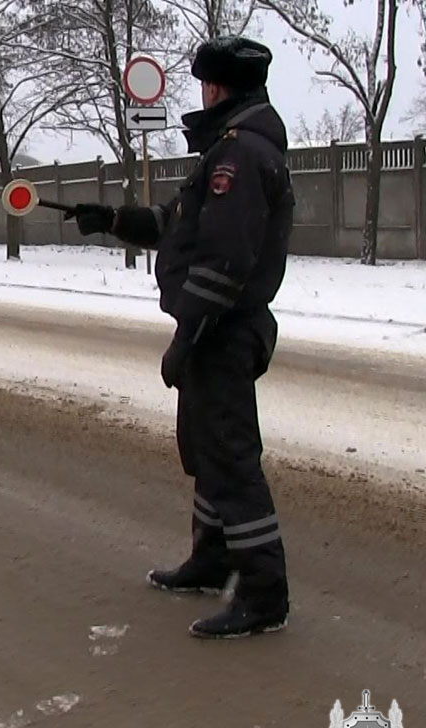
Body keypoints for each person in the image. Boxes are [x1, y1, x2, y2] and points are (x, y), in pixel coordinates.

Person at [66, 36, 295, 639]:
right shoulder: (229, 147)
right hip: (215, 328)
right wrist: (114, 220)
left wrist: (189, 336)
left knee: (231, 459)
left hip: (223, 328)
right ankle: (212, 558)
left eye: (206, 83)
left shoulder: (240, 155)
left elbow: (224, 261)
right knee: (206, 449)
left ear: (218, 86)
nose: (203, 93)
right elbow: (177, 222)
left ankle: (264, 594)